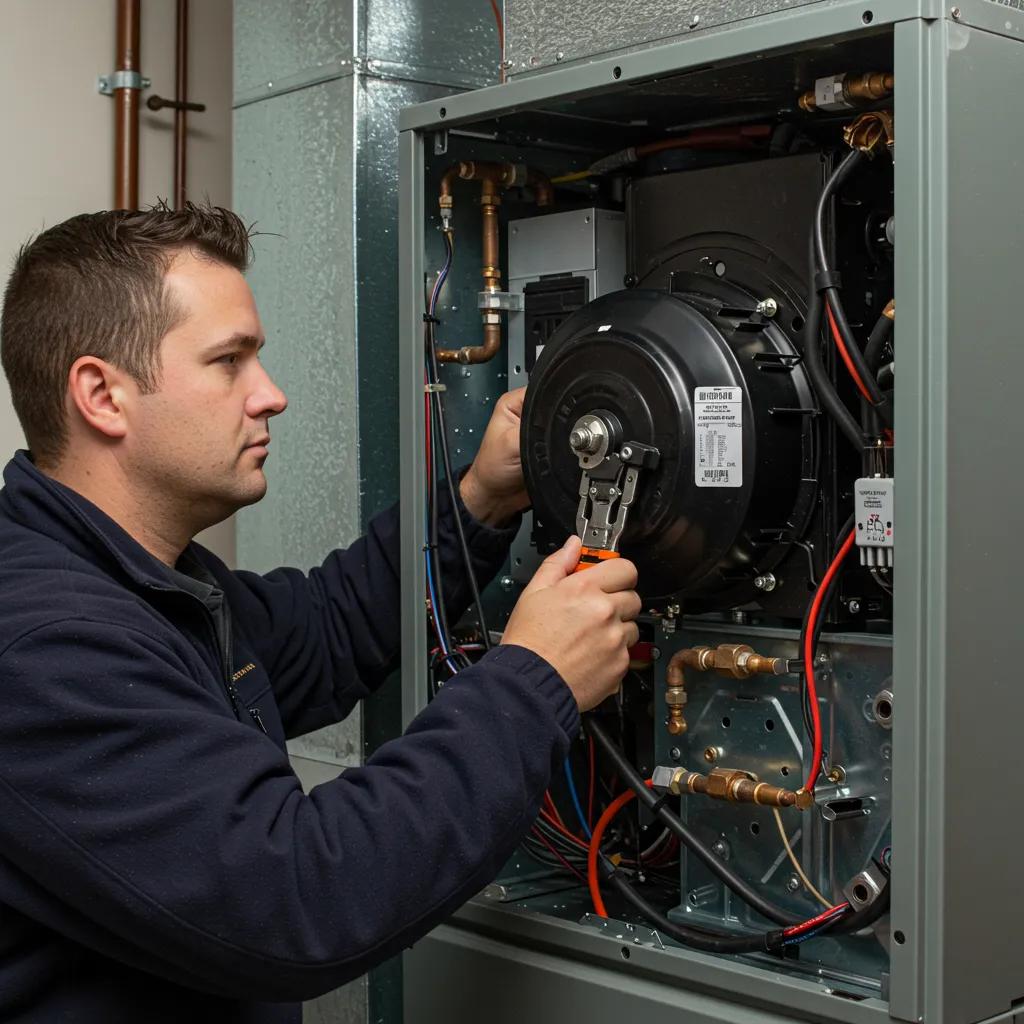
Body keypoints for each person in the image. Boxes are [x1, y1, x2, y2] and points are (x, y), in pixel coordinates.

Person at [0, 203, 640, 1022]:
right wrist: (535, 680)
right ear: (102, 395)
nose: (272, 396)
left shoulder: (150, 587)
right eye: (230, 361)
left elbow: (330, 628)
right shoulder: (45, 647)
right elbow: (301, 896)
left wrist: (479, 499)